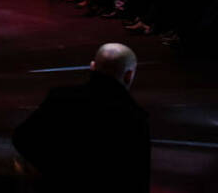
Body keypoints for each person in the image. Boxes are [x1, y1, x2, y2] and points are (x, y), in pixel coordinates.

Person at [12, 42, 149, 192]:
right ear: (129, 75)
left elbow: (22, 137)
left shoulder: (61, 97)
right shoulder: (134, 116)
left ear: (92, 66)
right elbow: (138, 178)